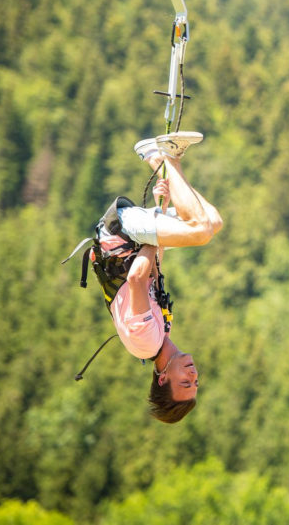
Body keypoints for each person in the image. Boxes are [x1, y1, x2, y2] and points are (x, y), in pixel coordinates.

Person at [110, 131, 223, 423]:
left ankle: (168, 156)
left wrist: (154, 232)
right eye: (195, 382)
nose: (193, 375)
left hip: (121, 234)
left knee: (199, 229)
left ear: (163, 380)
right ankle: (156, 158)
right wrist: (159, 216)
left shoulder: (146, 343)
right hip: (136, 240)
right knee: (212, 222)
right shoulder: (162, 335)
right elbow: (150, 274)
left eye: (185, 382)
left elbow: (136, 278)